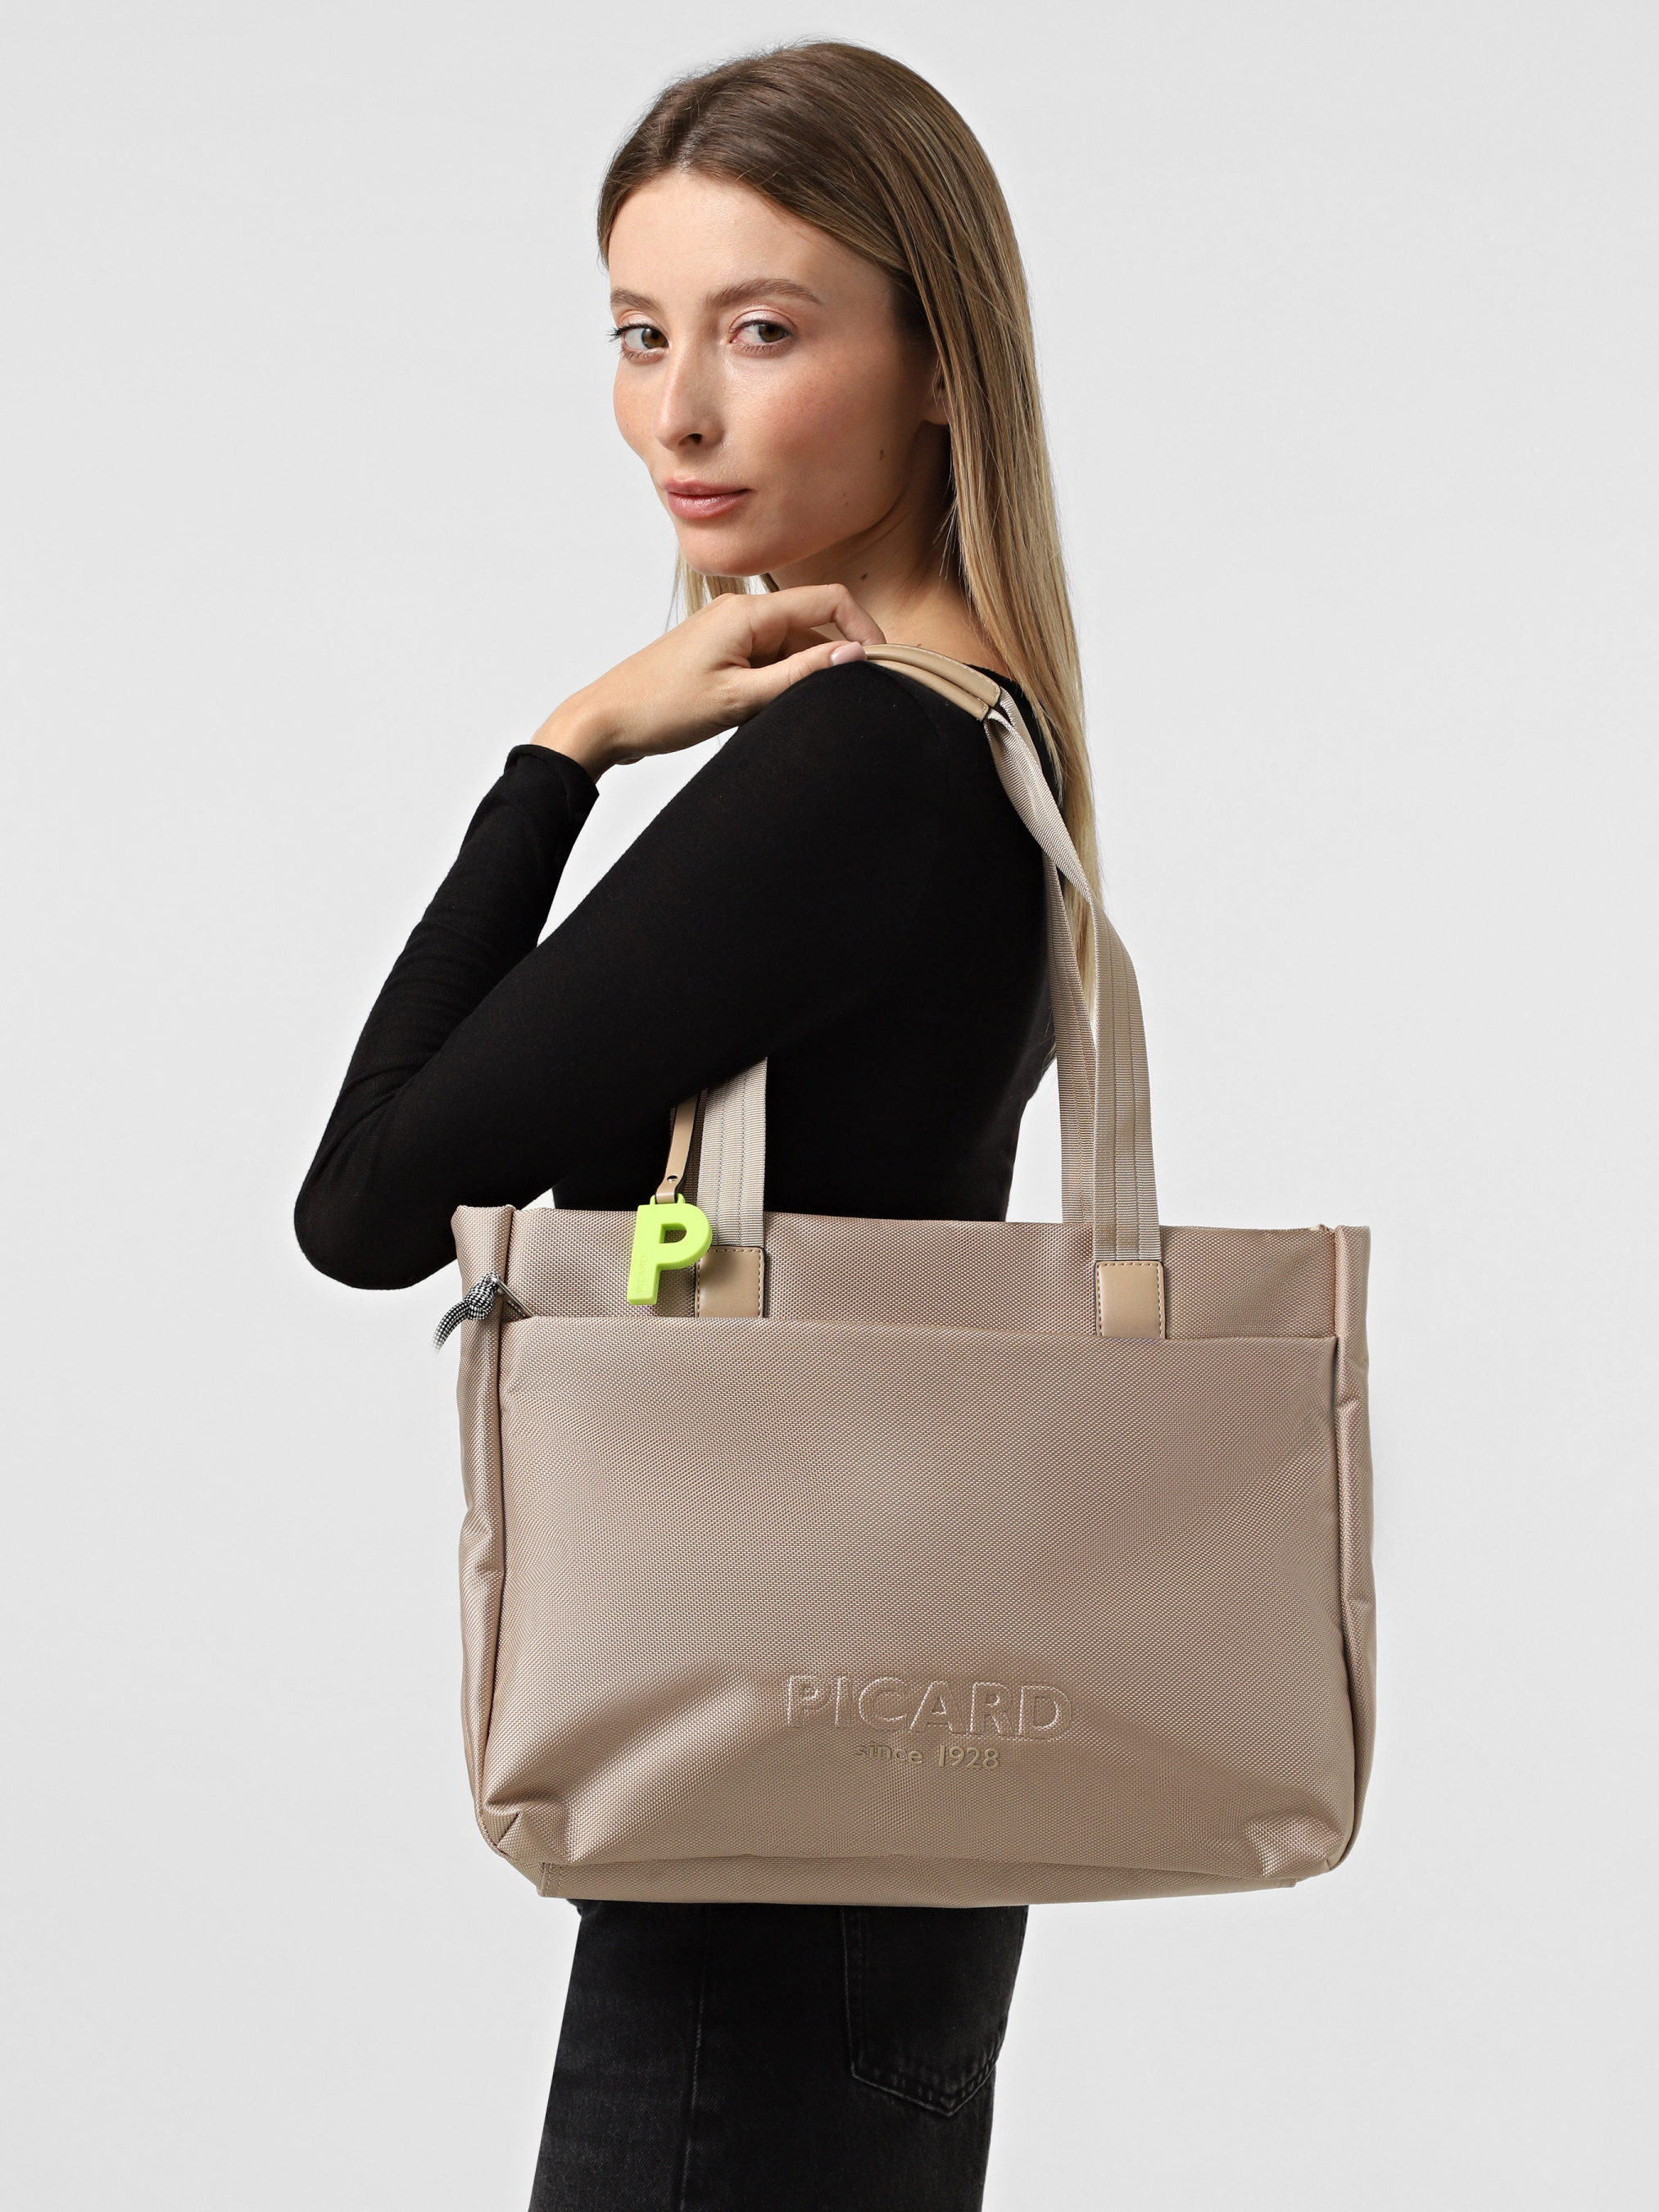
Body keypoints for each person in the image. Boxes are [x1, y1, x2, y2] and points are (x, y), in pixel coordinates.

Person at [296, 40, 1107, 2212]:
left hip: (763, 1825)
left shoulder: (861, 764)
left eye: (760, 331)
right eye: (639, 335)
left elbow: (368, 1201)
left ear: (940, 367)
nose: (678, 414)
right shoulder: (994, 738)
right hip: (885, 1814)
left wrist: (560, 753)